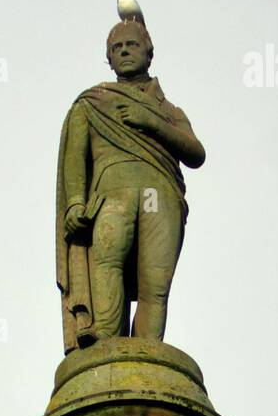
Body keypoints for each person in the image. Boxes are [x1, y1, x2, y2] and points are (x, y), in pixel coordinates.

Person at [56, 18, 206, 351]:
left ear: (149, 53)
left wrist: (151, 122)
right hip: (112, 194)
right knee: (109, 258)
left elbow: (196, 153)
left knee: (156, 282)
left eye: (131, 45)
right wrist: (75, 203)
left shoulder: (169, 110)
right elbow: (75, 158)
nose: (124, 51)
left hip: (160, 194)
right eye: (116, 48)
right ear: (108, 59)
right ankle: (105, 338)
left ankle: (148, 350)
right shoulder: (93, 102)